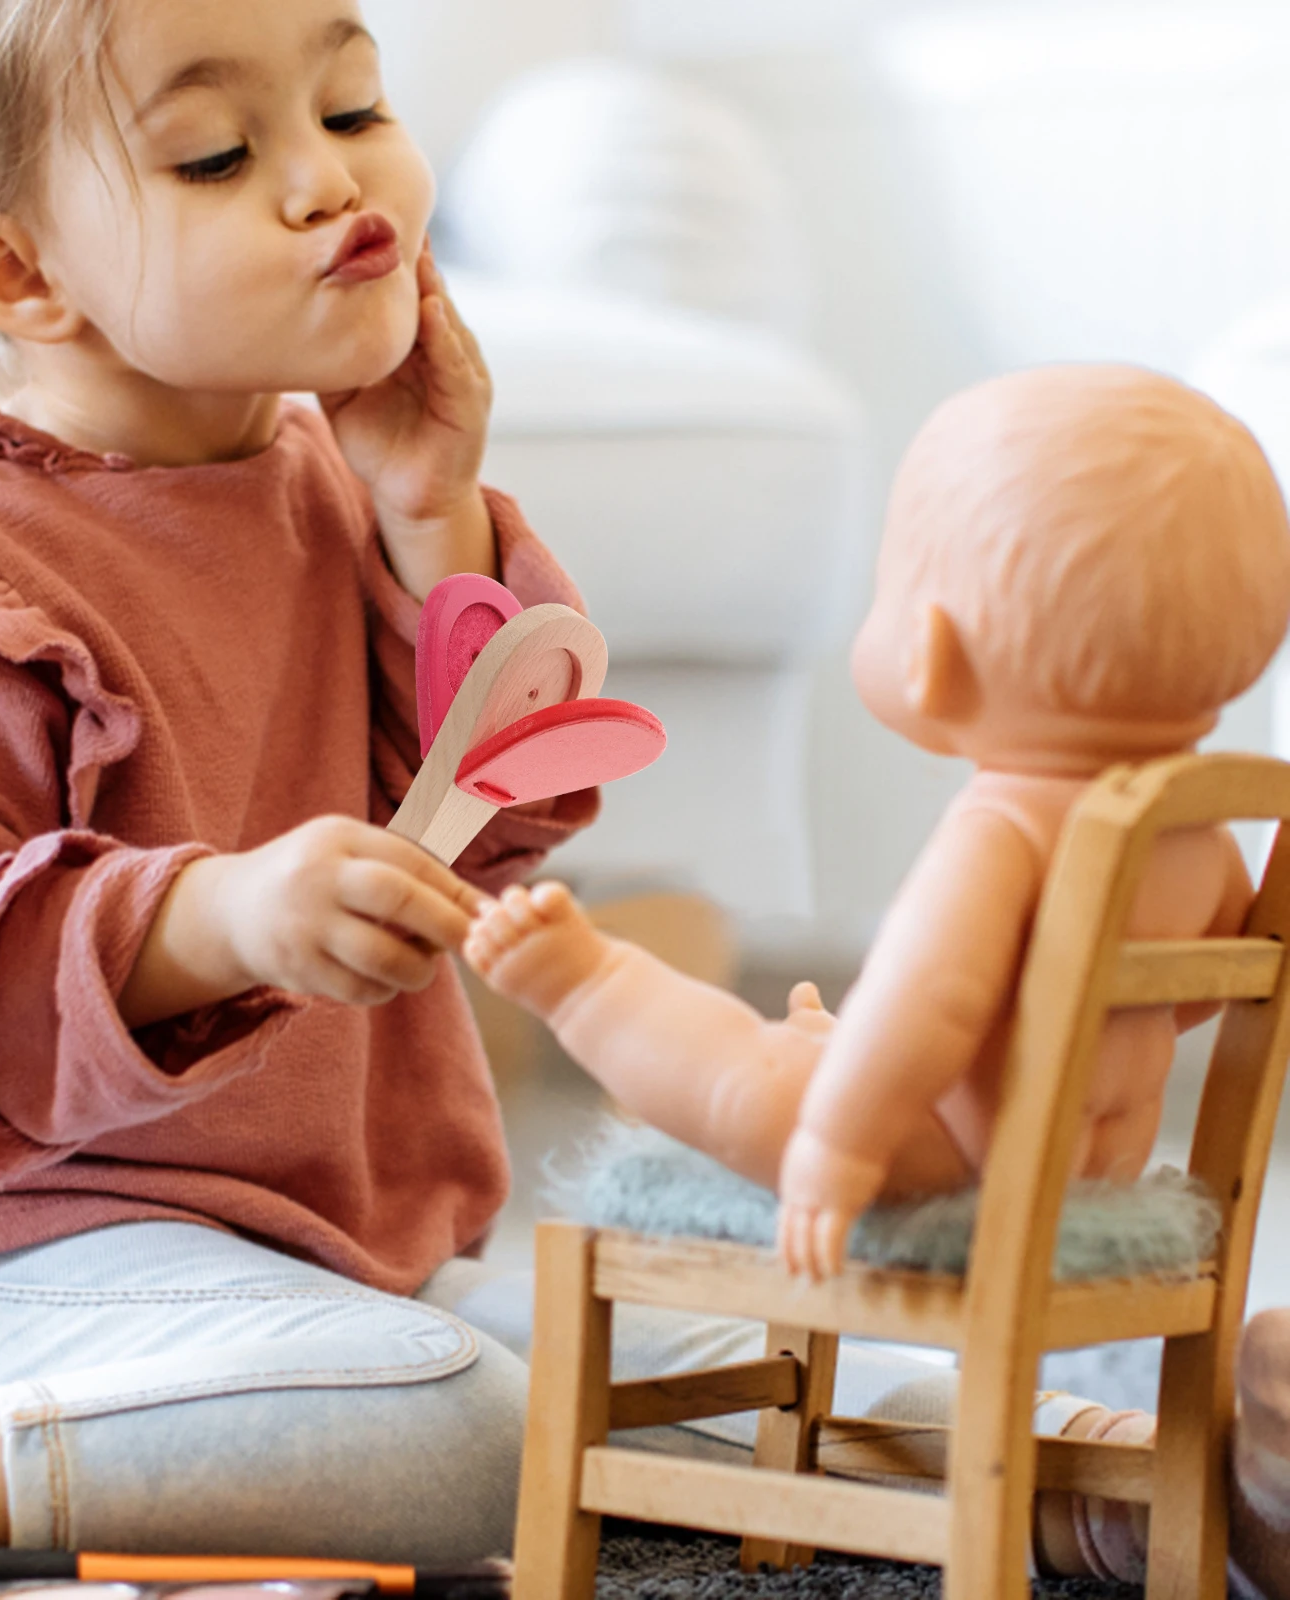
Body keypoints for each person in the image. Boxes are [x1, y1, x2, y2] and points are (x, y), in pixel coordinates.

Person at [0, 1, 1169, 1593]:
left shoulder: (340, 486)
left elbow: (511, 814)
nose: (331, 183)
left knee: (703, 1333)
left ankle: (1113, 1484)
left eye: (351, 105)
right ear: (20, 276)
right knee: (470, 1425)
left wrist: (431, 512)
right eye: (218, 153)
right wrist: (221, 912)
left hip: (336, 1276)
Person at [464, 365, 1290, 1597]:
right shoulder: (1199, 824)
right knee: (819, 1048)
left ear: (935, 648)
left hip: (936, 1159)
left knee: (753, 1081)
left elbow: (925, 1004)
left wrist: (837, 1146)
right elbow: (1191, 999)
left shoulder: (1002, 831)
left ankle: (582, 977)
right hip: (1083, 1169)